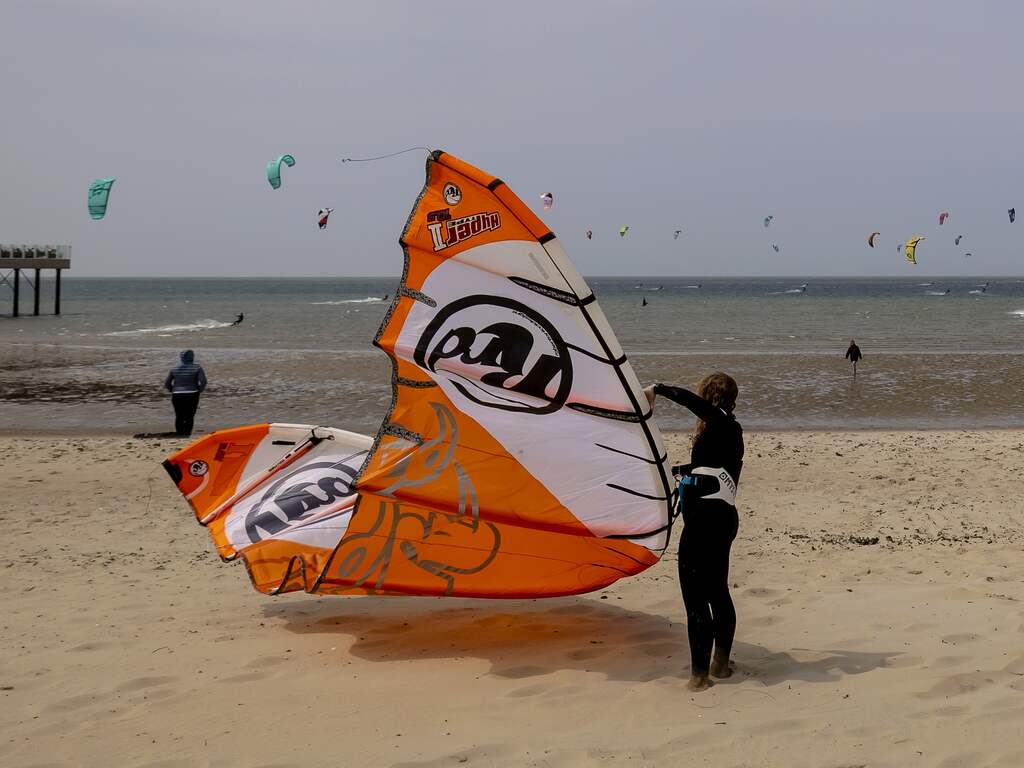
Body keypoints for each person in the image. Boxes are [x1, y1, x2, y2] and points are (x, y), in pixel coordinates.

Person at [643, 374, 743, 691]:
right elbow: (708, 470)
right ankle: (721, 665)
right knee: (716, 591)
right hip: (722, 520)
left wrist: (658, 389)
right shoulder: (729, 432)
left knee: (696, 598)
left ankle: (699, 677)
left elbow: (693, 403)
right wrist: (674, 472)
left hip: (704, 524)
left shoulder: (721, 423)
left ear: (710, 398)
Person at [164, 349, 207, 436]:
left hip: (177, 394)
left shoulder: (174, 368)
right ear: (192, 357)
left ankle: (180, 433)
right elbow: (203, 381)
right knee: (190, 415)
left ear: (181, 358)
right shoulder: (197, 367)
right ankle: (187, 433)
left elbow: (167, 383)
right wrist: (199, 390)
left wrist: (172, 390)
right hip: (192, 393)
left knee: (179, 415)